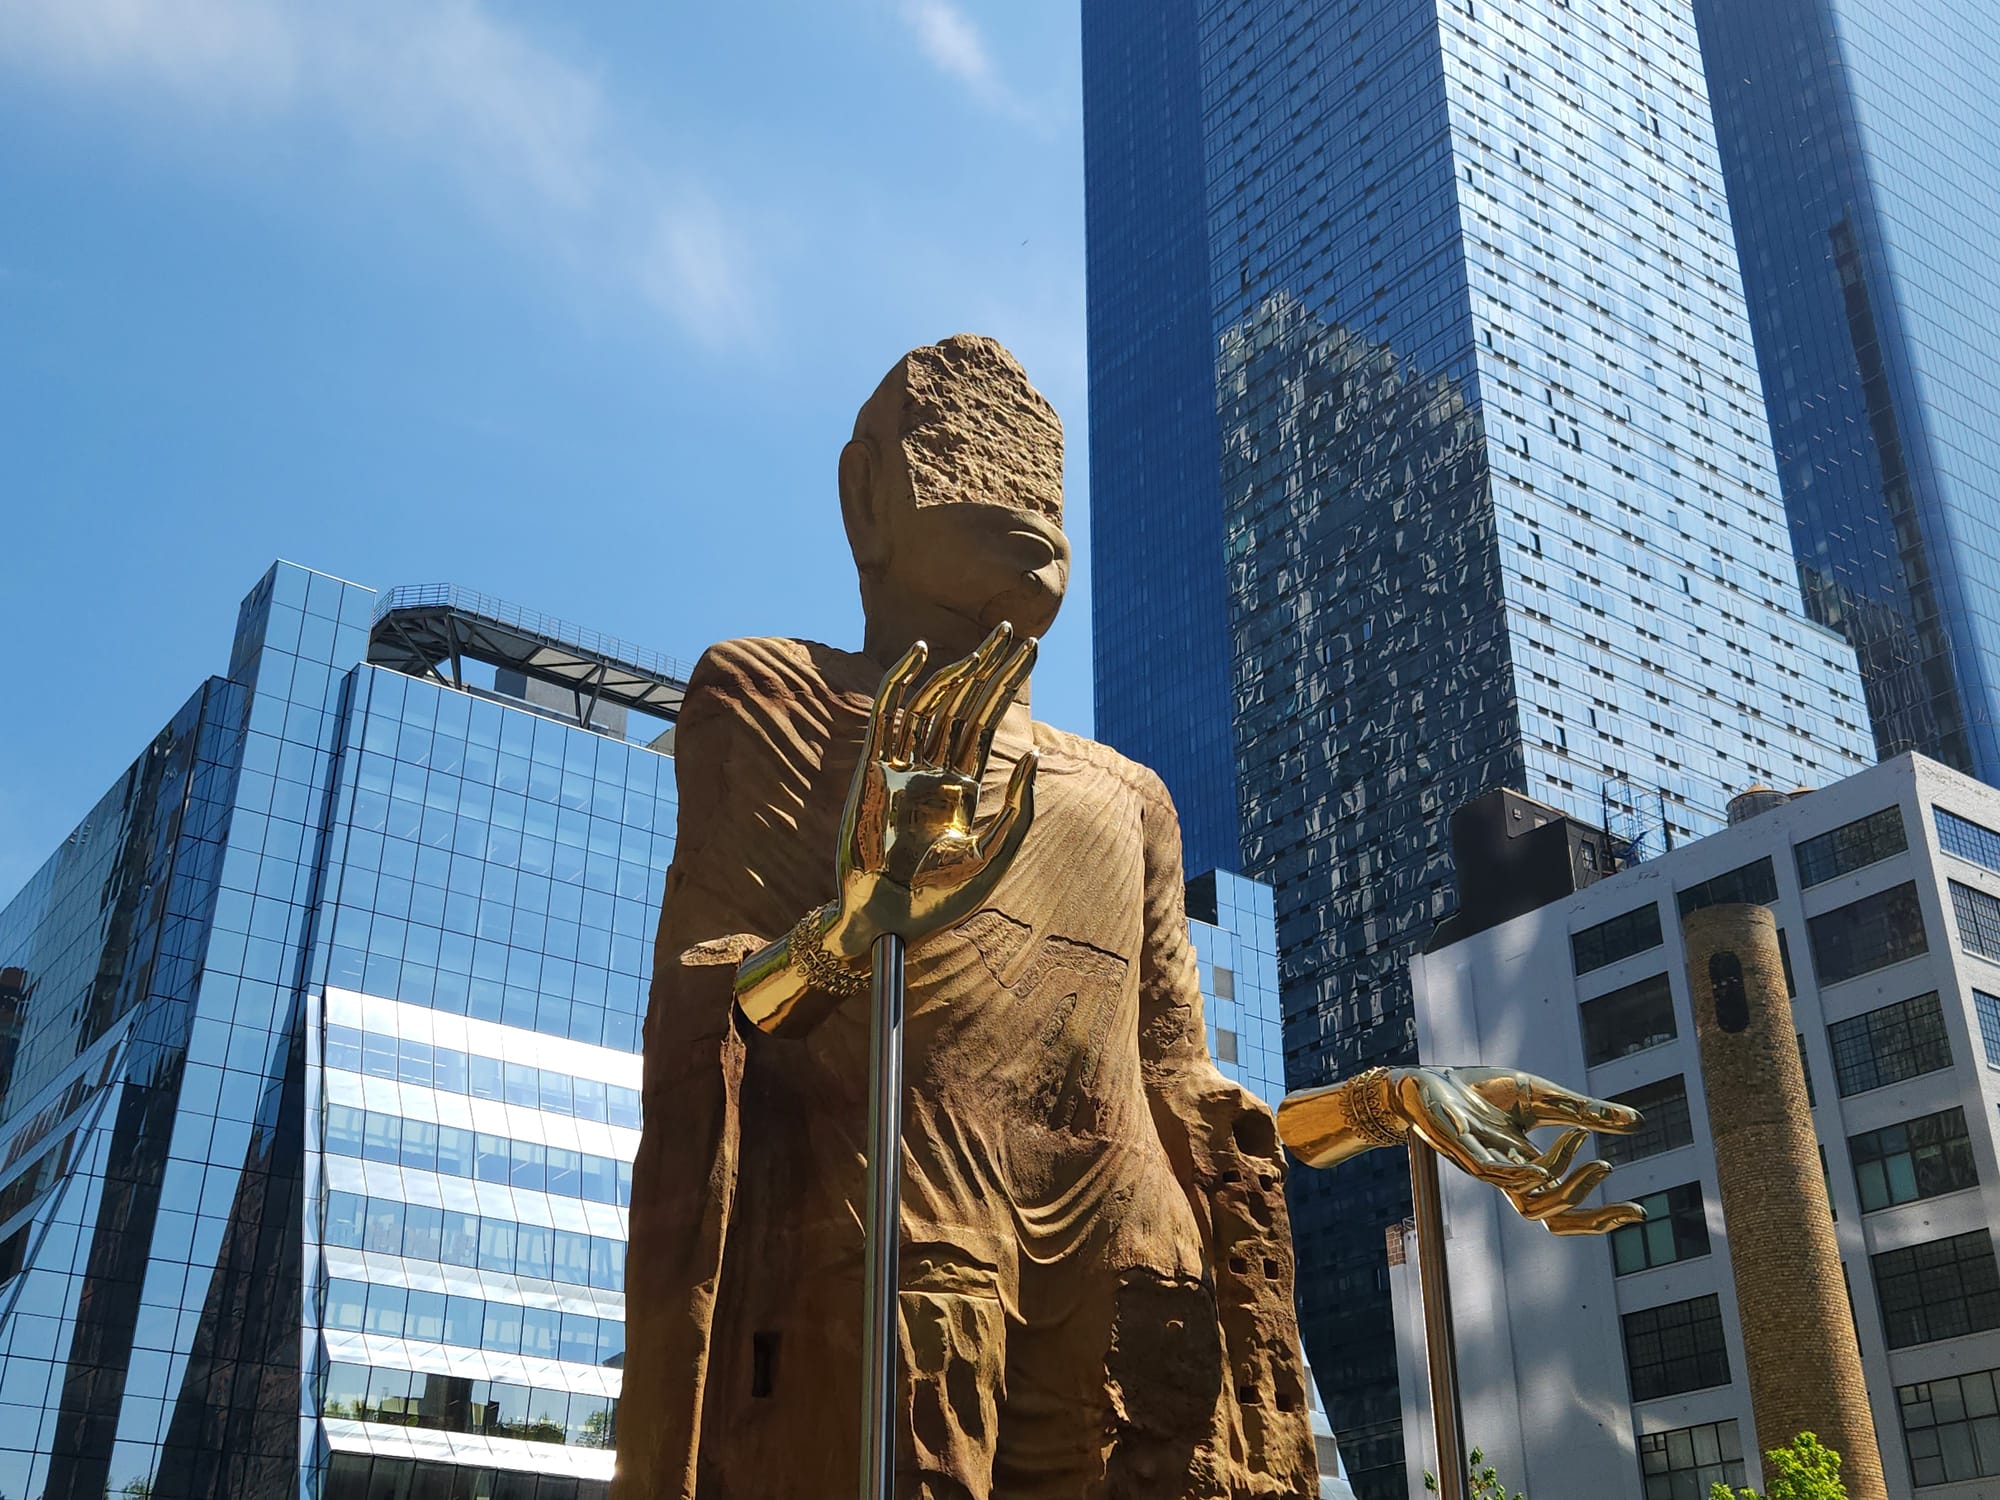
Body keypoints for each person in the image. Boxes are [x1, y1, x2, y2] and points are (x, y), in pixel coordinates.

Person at [615, 334, 1320, 1498]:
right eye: (956, 450)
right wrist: (853, 927)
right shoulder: (773, 697)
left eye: (1039, 477)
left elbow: (1178, 1075)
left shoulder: (1125, 793)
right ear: (865, 502)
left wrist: (1369, 1116)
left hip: (1131, 1243)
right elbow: (714, 993)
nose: (1021, 506)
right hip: (905, 1214)